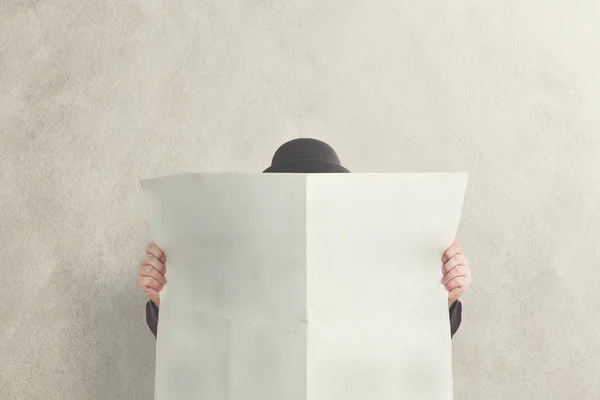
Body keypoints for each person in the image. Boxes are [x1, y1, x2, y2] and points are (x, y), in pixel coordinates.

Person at [136, 138, 473, 338]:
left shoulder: (365, 263)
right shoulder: (240, 265)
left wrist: (443, 299)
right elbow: (204, 347)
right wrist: (163, 300)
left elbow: (403, 345)